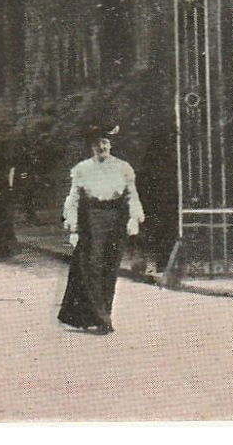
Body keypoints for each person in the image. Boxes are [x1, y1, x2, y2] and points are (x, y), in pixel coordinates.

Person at [57, 125, 145, 334]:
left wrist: (134, 219)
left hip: (116, 219)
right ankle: (102, 317)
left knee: (110, 267)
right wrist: (74, 228)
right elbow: (74, 199)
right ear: (91, 147)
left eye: (105, 142)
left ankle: (106, 312)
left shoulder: (123, 168)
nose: (101, 146)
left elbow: (132, 195)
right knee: (92, 267)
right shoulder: (82, 169)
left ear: (110, 144)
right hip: (91, 220)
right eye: (97, 143)